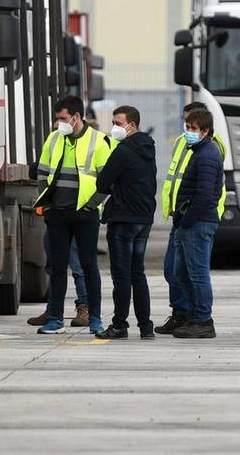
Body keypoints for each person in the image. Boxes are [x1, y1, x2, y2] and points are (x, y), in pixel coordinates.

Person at [33, 96, 112, 336]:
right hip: (57, 213)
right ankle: (55, 317)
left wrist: (91, 206)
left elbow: (107, 181)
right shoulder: (54, 138)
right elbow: (42, 172)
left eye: (62, 118)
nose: (58, 123)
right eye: (57, 118)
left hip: (84, 214)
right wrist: (46, 205)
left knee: (89, 267)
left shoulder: (99, 141)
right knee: (57, 268)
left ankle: (95, 318)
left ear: (76, 117)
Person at [159, 101, 227, 335]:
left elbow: (204, 195)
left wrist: (187, 221)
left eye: (193, 128)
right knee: (180, 272)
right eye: (187, 126)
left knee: (197, 274)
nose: (188, 131)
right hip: (186, 223)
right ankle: (190, 316)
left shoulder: (207, 155)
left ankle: (203, 321)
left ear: (205, 131)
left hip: (197, 223)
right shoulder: (196, 151)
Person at [93, 105, 158, 340]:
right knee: (137, 274)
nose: (114, 127)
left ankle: (119, 324)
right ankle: (146, 327)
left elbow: (102, 182)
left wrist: (115, 186)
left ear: (132, 125)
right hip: (144, 218)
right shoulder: (148, 148)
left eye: (118, 123)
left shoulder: (123, 151)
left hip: (123, 218)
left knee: (121, 276)